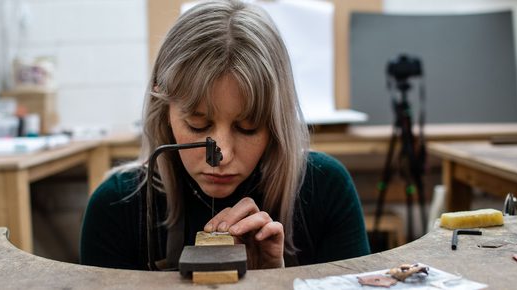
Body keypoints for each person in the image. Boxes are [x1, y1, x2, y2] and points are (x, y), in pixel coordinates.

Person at [80, 0, 370, 270]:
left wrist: (273, 283)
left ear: (276, 122)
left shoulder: (325, 189)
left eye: (248, 127)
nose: (222, 156)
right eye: (197, 124)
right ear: (164, 108)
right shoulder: (117, 207)